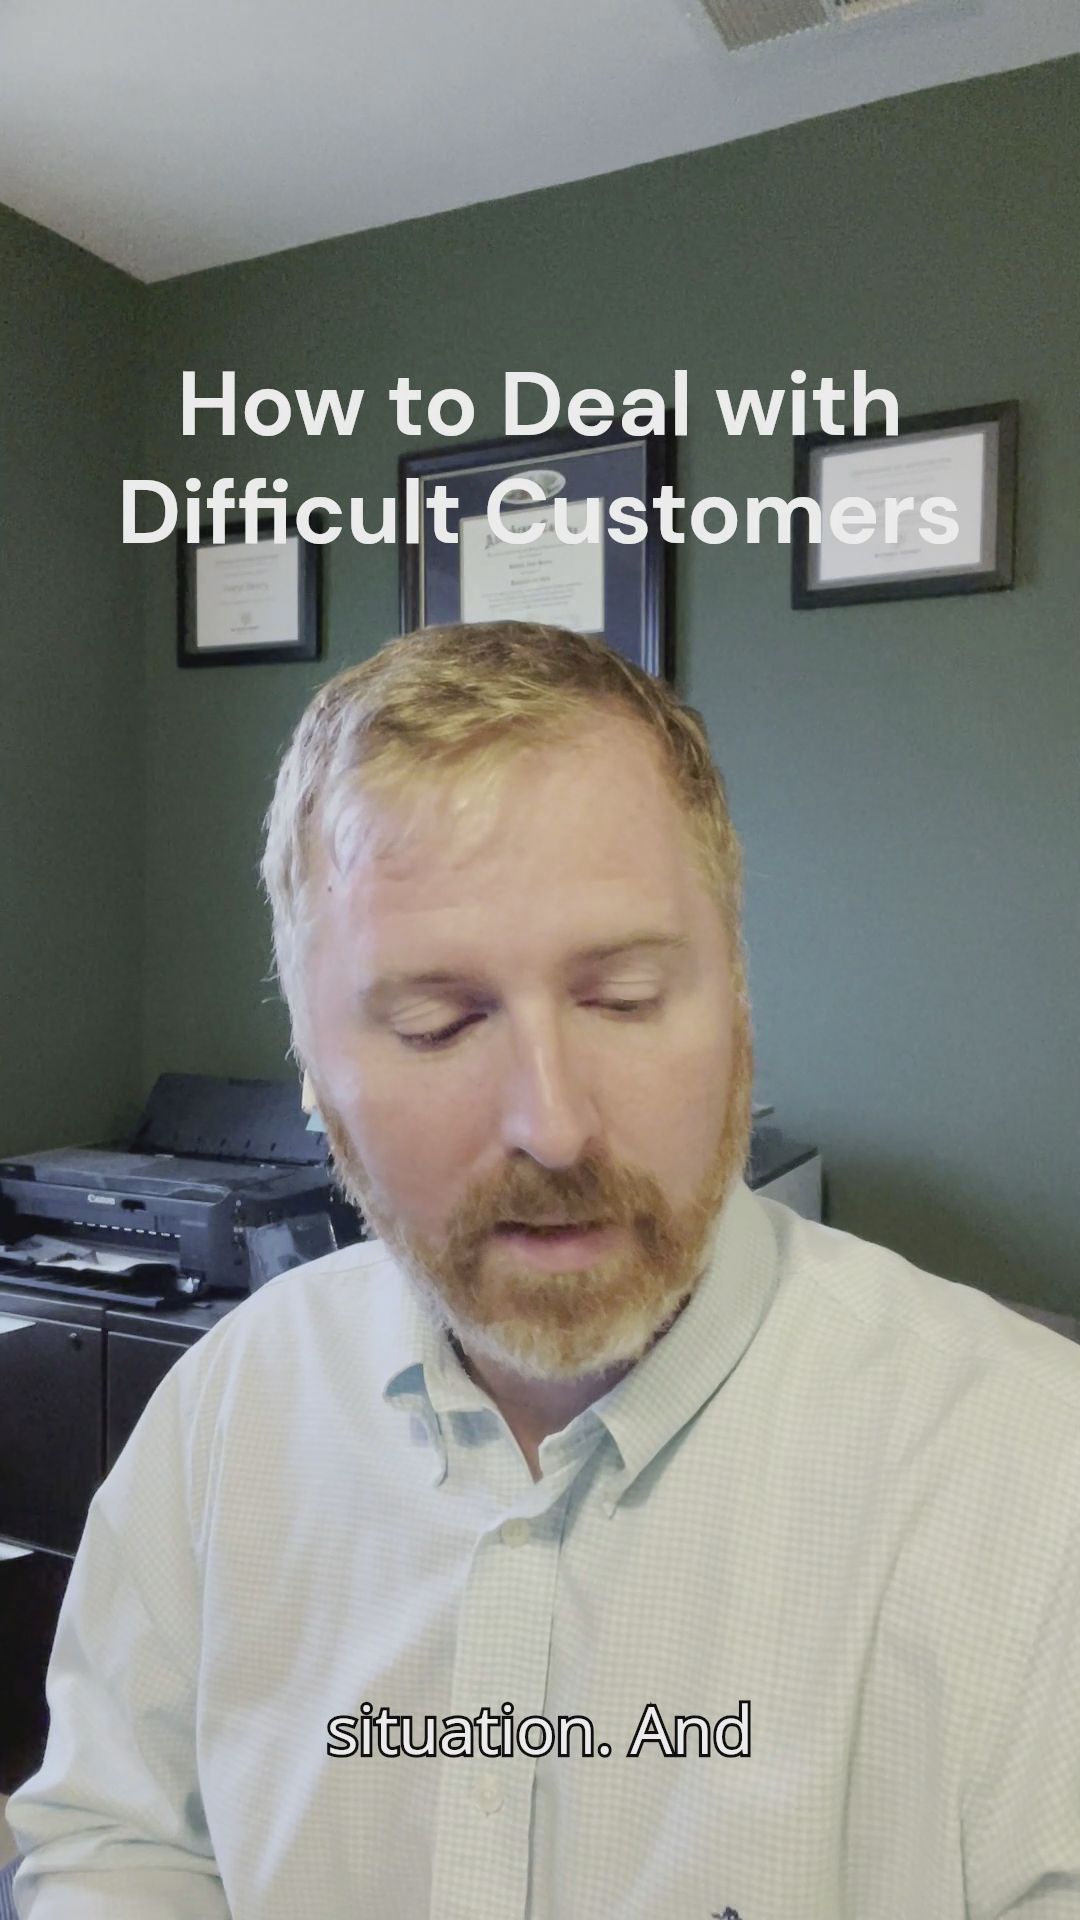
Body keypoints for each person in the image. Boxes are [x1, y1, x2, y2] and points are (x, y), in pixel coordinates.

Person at [8, 621, 1080, 1919]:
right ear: (312, 1069)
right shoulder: (228, 1413)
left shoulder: (1032, 1489)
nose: (554, 1126)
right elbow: (114, 1837)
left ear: (740, 1007)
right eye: (437, 1024)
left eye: (622, 999)